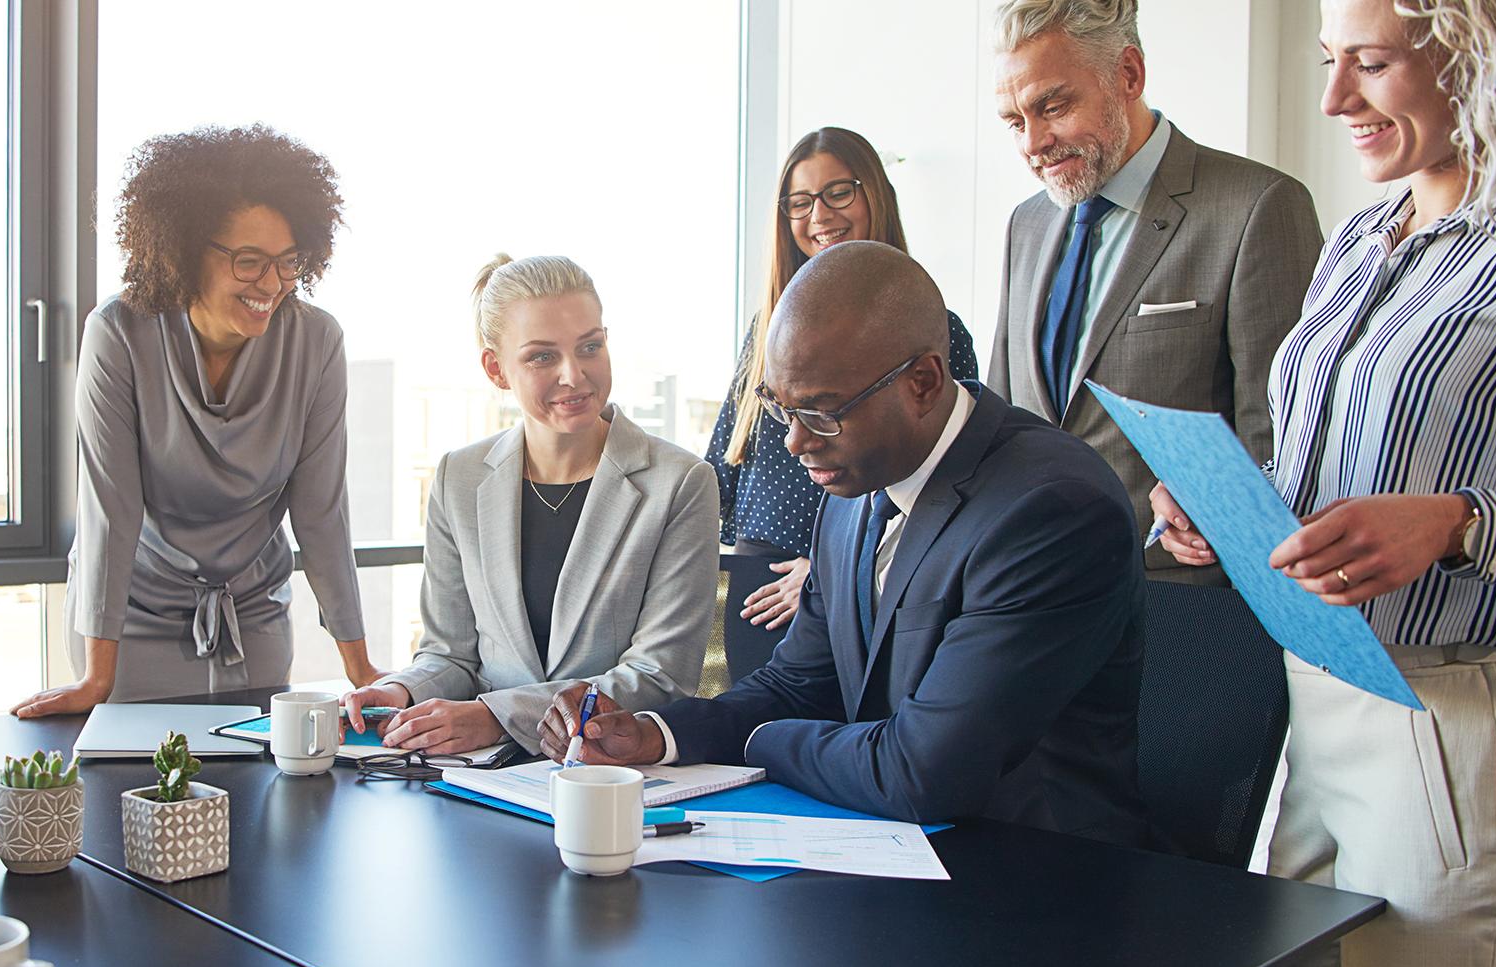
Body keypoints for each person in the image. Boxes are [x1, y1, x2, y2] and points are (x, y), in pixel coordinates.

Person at [1152, 0, 1496, 967]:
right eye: (1329, 61)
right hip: (1317, 706)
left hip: (1459, 732)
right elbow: (1337, 473)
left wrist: (1462, 524)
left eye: (1371, 64)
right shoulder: (1362, 237)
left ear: (1489, 61)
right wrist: (1230, 507)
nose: (1335, 99)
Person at [540, 242, 1151, 845]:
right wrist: (657, 734)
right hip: (888, 845)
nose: (795, 442)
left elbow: (925, 770)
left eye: (822, 413)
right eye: (781, 409)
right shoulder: (852, 488)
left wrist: (757, 742)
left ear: (922, 383)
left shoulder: (1050, 510)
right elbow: (798, 685)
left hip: (1033, 867)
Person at [12, 125, 386, 717]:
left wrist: (360, 668)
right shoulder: (118, 333)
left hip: (251, 611)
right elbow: (111, 510)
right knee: (133, 771)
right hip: (131, 615)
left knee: (254, 769)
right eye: (248, 261)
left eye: (288, 261)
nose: (272, 284)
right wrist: (95, 680)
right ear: (183, 252)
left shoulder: (316, 341)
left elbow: (320, 513)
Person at [985, 0, 1323, 584]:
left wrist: (1221, 520)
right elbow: (1004, 416)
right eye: (1015, 122)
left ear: (1129, 74)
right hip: (1034, 586)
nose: (1033, 143)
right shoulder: (1027, 223)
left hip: (1181, 597)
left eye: (1053, 107)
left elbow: (1283, 439)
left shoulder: (1258, 207)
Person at [341, 255, 718, 756]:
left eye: (590, 347)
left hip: (606, 772)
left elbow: (660, 674)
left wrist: (497, 717)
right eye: (542, 357)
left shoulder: (681, 482)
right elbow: (450, 654)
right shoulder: (459, 477)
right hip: (476, 771)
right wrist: (400, 690)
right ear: (496, 369)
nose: (574, 375)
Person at [707, 127, 979, 631]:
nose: (819, 215)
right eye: (800, 202)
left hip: (863, 578)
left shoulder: (934, 330)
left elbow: (947, 484)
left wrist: (827, 566)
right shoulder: (768, 330)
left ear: (875, 195)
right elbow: (725, 459)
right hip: (758, 583)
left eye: (838, 192)